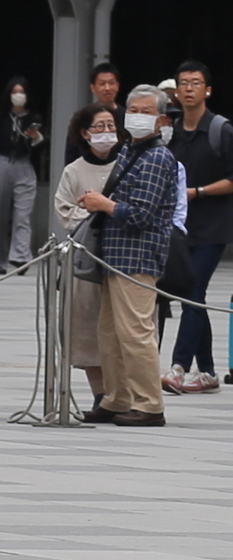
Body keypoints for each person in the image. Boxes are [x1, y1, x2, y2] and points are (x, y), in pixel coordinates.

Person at [76, 86, 181, 426]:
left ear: (161, 119)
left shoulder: (158, 157)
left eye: (145, 110)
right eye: (132, 109)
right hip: (114, 255)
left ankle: (149, 403)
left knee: (136, 332)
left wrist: (103, 204)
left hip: (138, 257)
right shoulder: (130, 150)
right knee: (110, 333)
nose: (135, 115)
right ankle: (117, 397)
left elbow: (141, 214)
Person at [164, 61, 233, 393]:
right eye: (183, 83)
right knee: (190, 296)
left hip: (214, 226)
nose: (188, 88)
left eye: (196, 83)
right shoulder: (170, 130)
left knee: (193, 292)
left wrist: (199, 192)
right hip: (181, 227)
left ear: (207, 90)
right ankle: (208, 371)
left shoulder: (221, 130)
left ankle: (179, 366)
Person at [54, 104, 122, 415]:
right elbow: (66, 211)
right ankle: (100, 395)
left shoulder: (127, 166)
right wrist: (95, 212)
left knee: (122, 330)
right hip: (85, 259)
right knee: (86, 329)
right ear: (85, 133)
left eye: (111, 126)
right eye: (99, 127)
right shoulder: (74, 171)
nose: (107, 132)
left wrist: (108, 209)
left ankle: (123, 393)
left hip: (122, 258)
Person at [1, 76, 45, 270]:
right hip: (2, 162)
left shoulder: (34, 118)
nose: (18, 96)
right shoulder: (2, 116)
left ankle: (20, 256)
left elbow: (39, 149)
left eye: (21, 92)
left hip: (24, 164)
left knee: (23, 214)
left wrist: (36, 138)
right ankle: (1, 259)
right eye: (14, 92)